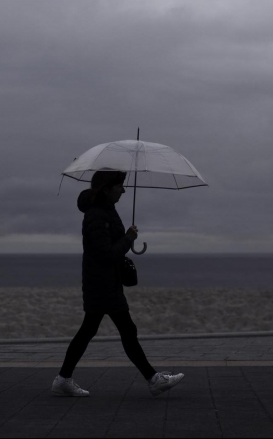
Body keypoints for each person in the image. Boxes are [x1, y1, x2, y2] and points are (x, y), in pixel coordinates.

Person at [52, 170, 184, 397]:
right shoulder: (97, 215)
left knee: (90, 330)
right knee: (124, 330)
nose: (123, 190)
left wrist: (125, 237)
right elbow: (107, 254)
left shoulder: (105, 212)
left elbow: (108, 246)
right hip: (102, 283)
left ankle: (63, 379)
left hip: (104, 282)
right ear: (106, 188)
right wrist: (128, 239)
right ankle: (153, 380)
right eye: (119, 186)